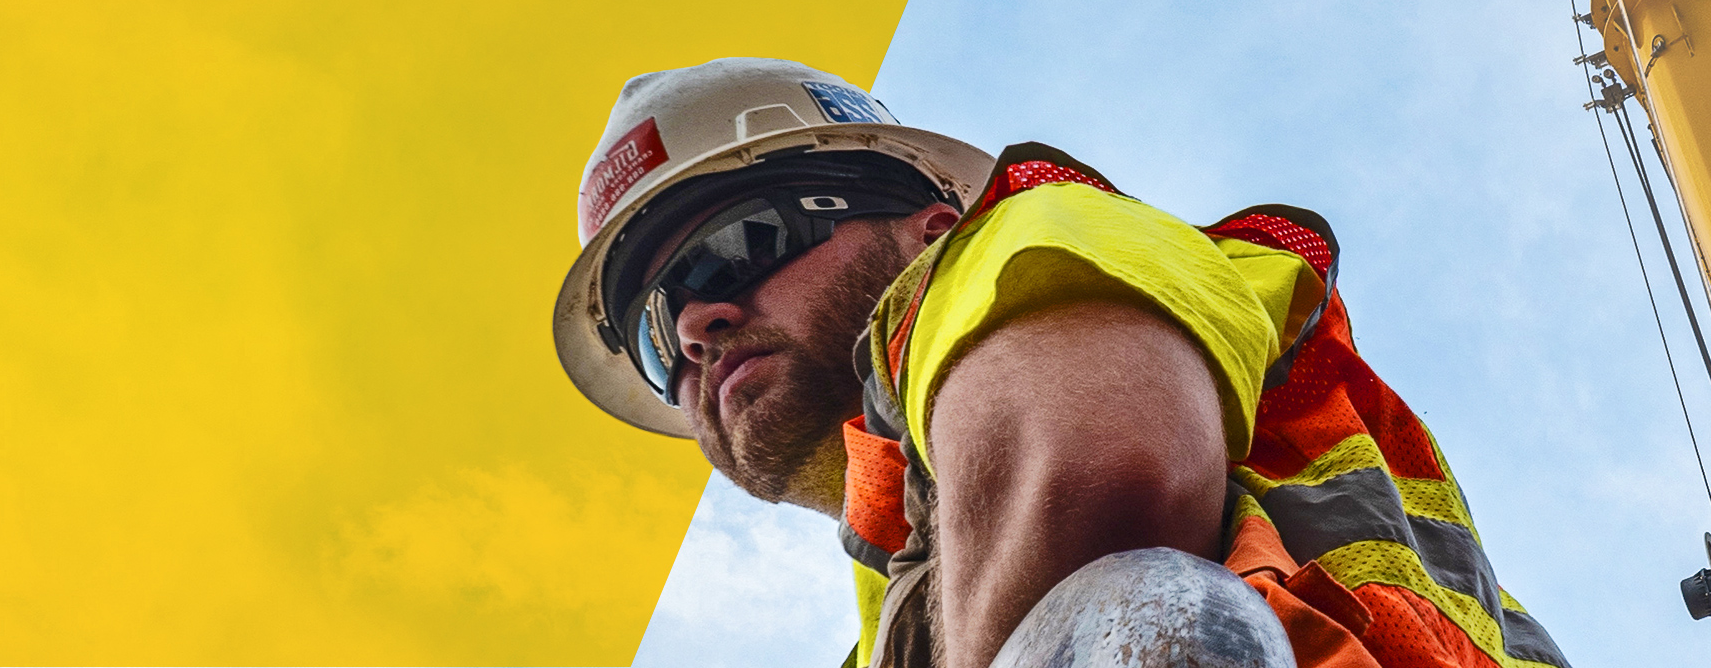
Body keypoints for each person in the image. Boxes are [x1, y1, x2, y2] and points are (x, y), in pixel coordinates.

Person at [553, 58, 1570, 668]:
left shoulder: (1028, 244)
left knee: (1138, 608)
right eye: (656, 329)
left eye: (738, 245)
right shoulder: (908, 594)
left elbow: (1095, 468)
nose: (699, 323)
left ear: (927, 229)